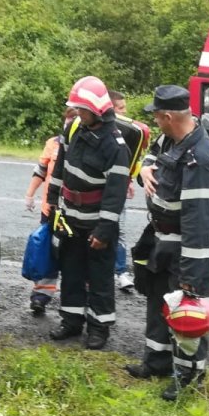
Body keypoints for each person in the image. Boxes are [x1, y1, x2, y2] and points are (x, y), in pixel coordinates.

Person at [124, 85, 209, 399]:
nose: (154, 120)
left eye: (156, 115)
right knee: (157, 300)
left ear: (167, 116)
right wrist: (145, 169)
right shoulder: (170, 140)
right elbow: (151, 162)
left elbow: (199, 223)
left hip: (187, 249)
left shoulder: (200, 159)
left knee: (185, 311)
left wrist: (192, 277)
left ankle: (189, 377)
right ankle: (157, 361)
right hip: (160, 240)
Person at [45, 76, 129, 350]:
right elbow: (60, 168)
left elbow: (115, 194)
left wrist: (104, 231)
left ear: (96, 110)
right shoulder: (74, 129)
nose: (77, 113)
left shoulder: (115, 146)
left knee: (100, 276)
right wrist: (52, 203)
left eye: (81, 109)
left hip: (96, 222)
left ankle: (99, 328)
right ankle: (71, 321)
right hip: (70, 216)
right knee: (70, 270)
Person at [23, 106, 75, 315]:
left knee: (74, 255)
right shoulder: (53, 144)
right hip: (52, 210)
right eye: (70, 118)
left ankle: (75, 301)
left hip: (77, 213)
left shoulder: (89, 145)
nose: (72, 122)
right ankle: (41, 296)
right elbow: (41, 170)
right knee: (48, 252)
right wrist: (30, 194)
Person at [110, 90, 150, 295]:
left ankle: (120, 272)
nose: (125, 112)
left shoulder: (130, 133)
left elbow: (132, 161)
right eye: (120, 108)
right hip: (103, 192)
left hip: (121, 189)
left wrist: (130, 181)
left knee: (121, 231)